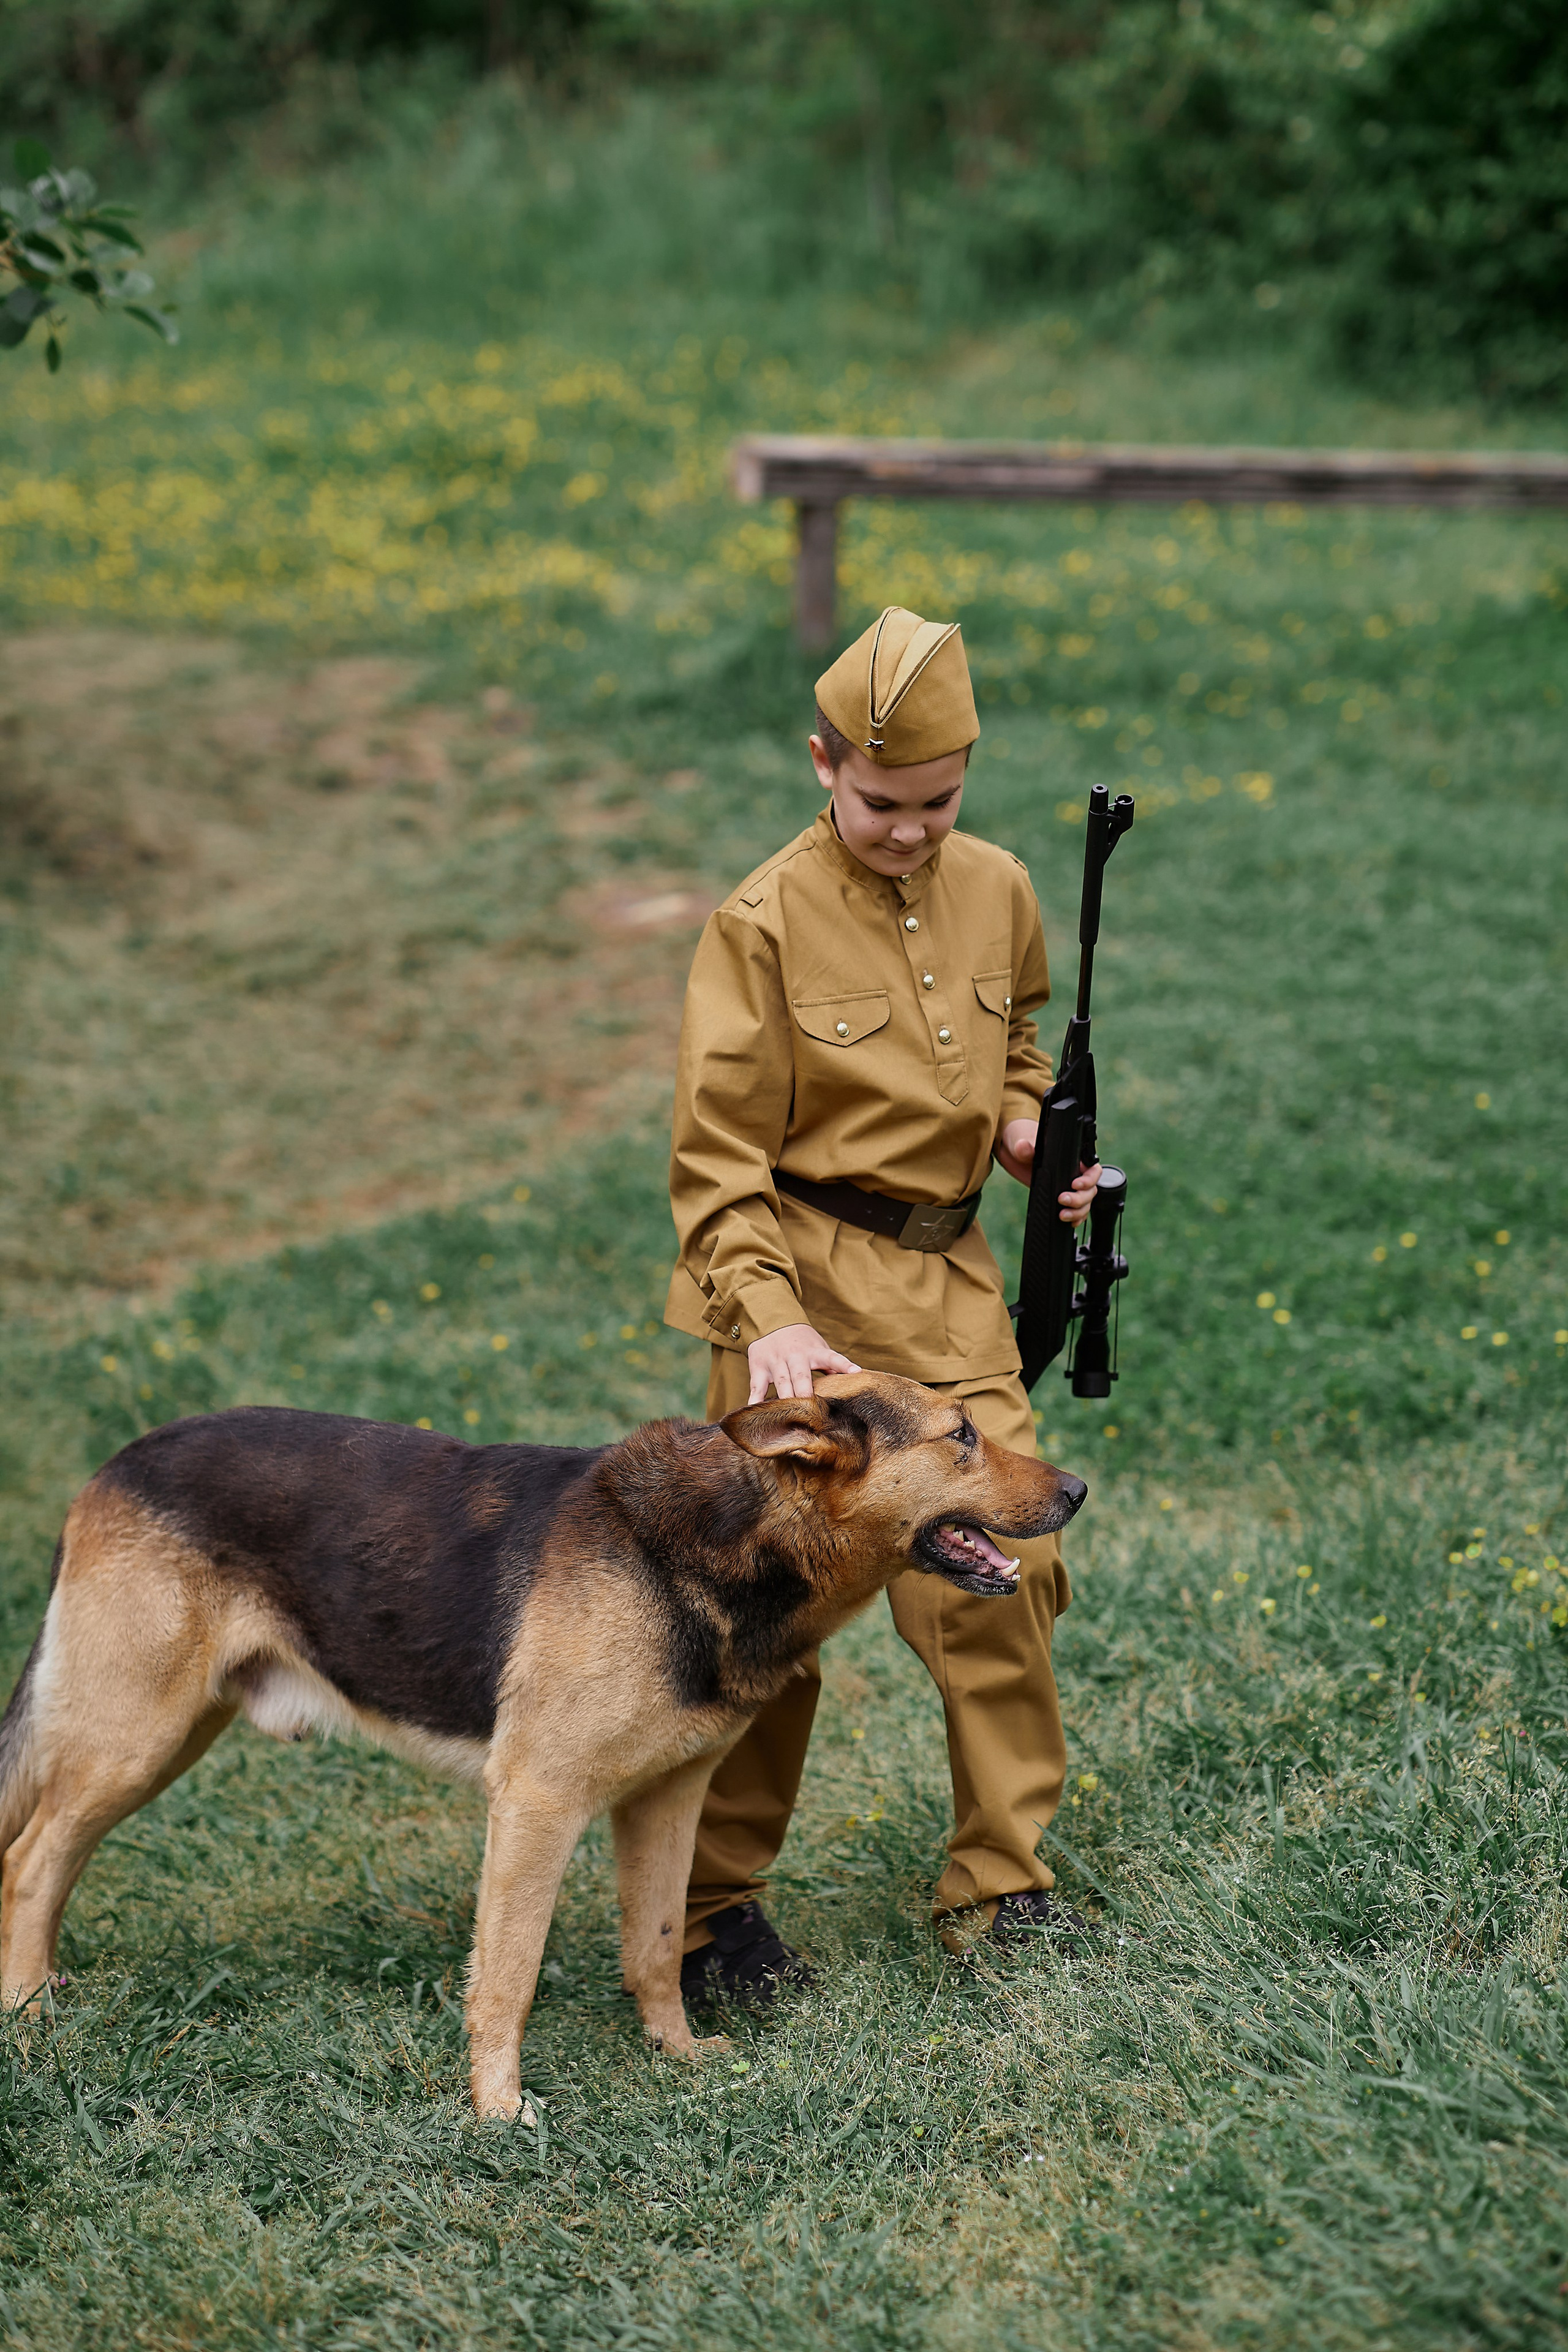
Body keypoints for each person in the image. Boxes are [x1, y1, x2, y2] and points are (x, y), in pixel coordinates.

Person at [662, 606, 1099, 2005]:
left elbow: (1017, 1046)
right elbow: (717, 1157)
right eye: (879, 804)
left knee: (1003, 1578)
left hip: (953, 1290)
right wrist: (767, 1319)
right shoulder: (760, 923)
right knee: (768, 1621)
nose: (911, 831)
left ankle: (1000, 1886)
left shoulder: (1003, 884)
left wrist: (1027, 1135)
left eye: (938, 801)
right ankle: (708, 1911)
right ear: (819, 765)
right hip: (805, 1303)